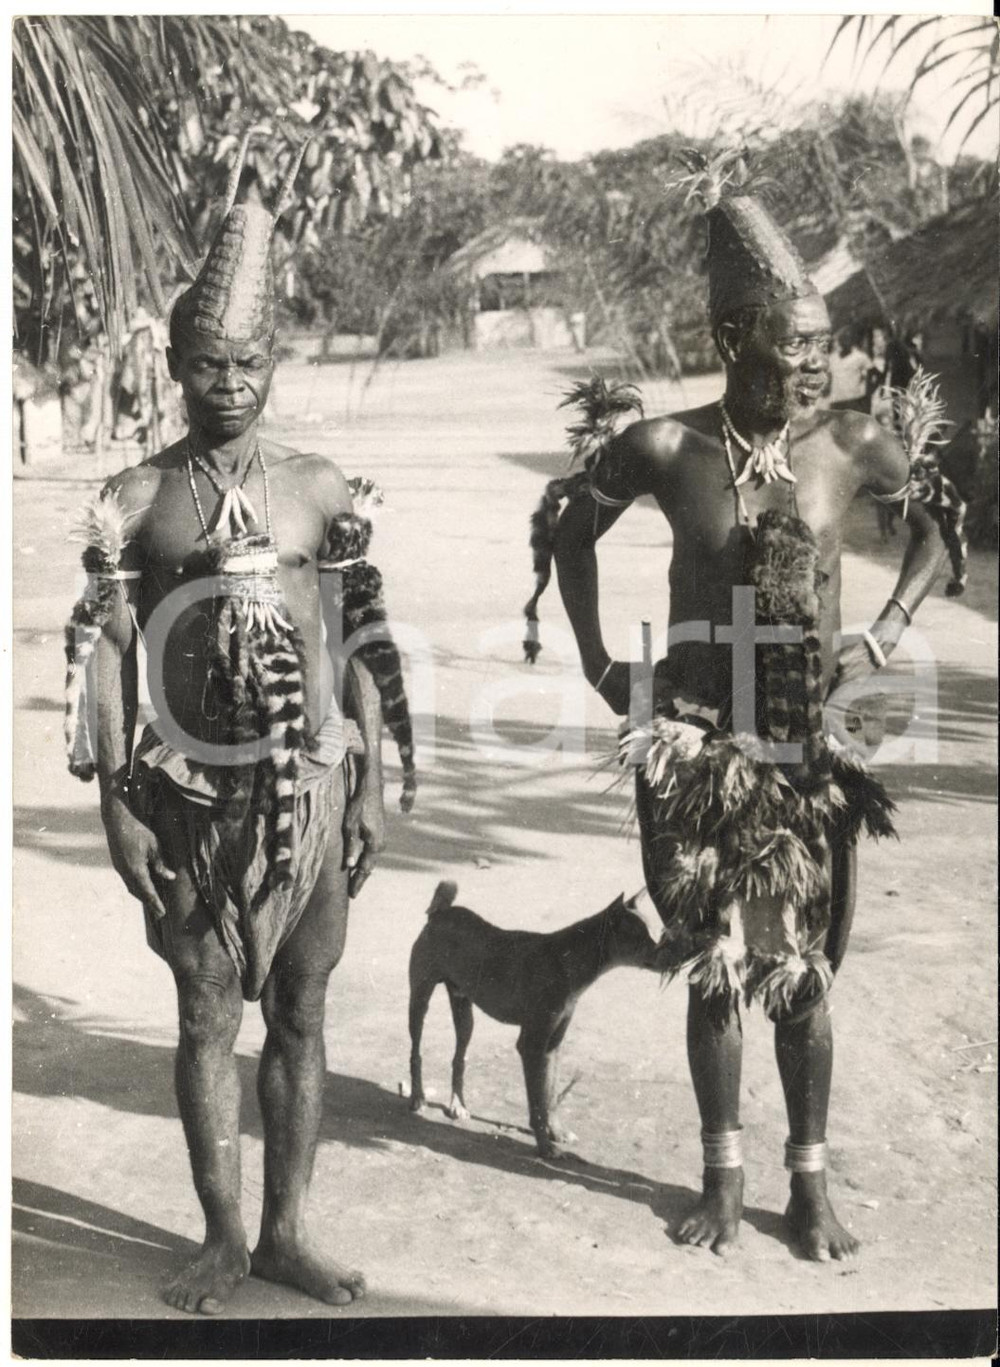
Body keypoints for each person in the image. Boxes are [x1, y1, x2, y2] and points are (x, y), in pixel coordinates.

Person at [531, 152, 957, 1261]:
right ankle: (721, 1178)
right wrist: (593, 662)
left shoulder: (851, 444)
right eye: (793, 345)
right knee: (714, 959)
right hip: (691, 738)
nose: (814, 364)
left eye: (822, 345)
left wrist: (888, 626)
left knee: (802, 968)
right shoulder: (666, 449)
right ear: (732, 343)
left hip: (803, 740)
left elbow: (930, 533)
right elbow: (567, 528)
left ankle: (806, 1187)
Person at [63, 139, 410, 1313]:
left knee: (304, 1014)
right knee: (209, 1013)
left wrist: (365, 783)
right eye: (208, 362)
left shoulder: (320, 486)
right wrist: (115, 804)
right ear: (174, 363)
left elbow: (359, 636)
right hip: (193, 803)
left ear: (277, 361)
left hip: (308, 798)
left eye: (250, 361)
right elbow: (104, 653)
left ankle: (288, 1233)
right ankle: (219, 1236)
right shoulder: (138, 499)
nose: (230, 381)